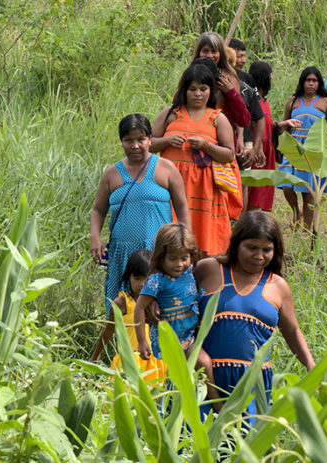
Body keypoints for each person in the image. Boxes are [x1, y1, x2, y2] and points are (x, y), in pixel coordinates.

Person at [194, 211, 315, 421]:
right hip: (202, 377)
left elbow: (293, 331)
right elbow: (175, 298)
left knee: (246, 447)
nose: (259, 256)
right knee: (194, 444)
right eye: (251, 248)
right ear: (236, 243)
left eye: (267, 249)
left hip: (251, 383)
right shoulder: (209, 270)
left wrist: (311, 365)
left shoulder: (278, 286)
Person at [90, 113, 190, 316]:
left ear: (150, 139)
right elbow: (98, 210)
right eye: (128, 140)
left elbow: (182, 208)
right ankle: (121, 346)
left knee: (159, 307)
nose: (135, 145)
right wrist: (95, 237)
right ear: (121, 142)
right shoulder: (112, 173)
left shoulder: (166, 168)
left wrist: (184, 243)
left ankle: (157, 346)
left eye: (141, 139)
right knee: (120, 308)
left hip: (157, 252)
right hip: (122, 254)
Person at [150, 62, 235, 257]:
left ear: (210, 91)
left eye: (203, 89)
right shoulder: (171, 113)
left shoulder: (217, 118)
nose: (198, 94)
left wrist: (206, 145)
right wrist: (167, 140)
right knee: (168, 232)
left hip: (203, 189)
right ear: (184, 90)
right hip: (169, 185)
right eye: (193, 89)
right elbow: (149, 144)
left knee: (201, 238)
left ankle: (200, 276)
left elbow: (229, 154)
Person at [134, 224, 220, 405]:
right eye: (172, 258)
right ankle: (165, 415)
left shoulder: (190, 272)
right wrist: (142, 341)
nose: (179, 264)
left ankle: (214, 407)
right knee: (175, 379)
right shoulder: (157, 281)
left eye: (184, 258)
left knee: (201, 367)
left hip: (189, 336)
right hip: (169, 340)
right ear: (160, 257)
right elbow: (139, 308)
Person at [193, 32, 264, 218]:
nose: (210, 55)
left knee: (222, 203)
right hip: (194, 144)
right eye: (205, 51)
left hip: (221, 146)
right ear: (198, 52)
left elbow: (244, 119)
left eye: (214, 51)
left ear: (221, 54)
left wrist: (231, 92)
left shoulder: (229, 77)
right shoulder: (191, 74)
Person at [88, 250, 167, 380]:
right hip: (127, 362)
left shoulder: (157, 303)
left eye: (147, 280)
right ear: (128, 277)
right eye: (137, 278)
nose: (142, 284)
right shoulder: (121, 303)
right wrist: (95, 357)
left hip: (154, 363)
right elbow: (107, 332)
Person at [279, 66, 327, 230]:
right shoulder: (293, 101)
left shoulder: (325, 103)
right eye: (308, 80)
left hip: (314, 150)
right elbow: (284, 125)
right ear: (302, 82)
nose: (311, 84)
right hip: (293, 147)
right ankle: (296, 211)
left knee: (307, 191)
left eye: (314, 80)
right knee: (287, 185)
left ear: (319, 83)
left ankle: (306, 227)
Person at [246, 60, 302, 212]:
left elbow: (266, 126)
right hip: (258, 149)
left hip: (267, 148)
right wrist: (256, 147)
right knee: (253, 191)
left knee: (262, 190)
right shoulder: (252, 99)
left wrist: (283, 124)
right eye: (270, 75)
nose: (272, 79)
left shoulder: (264, 100)